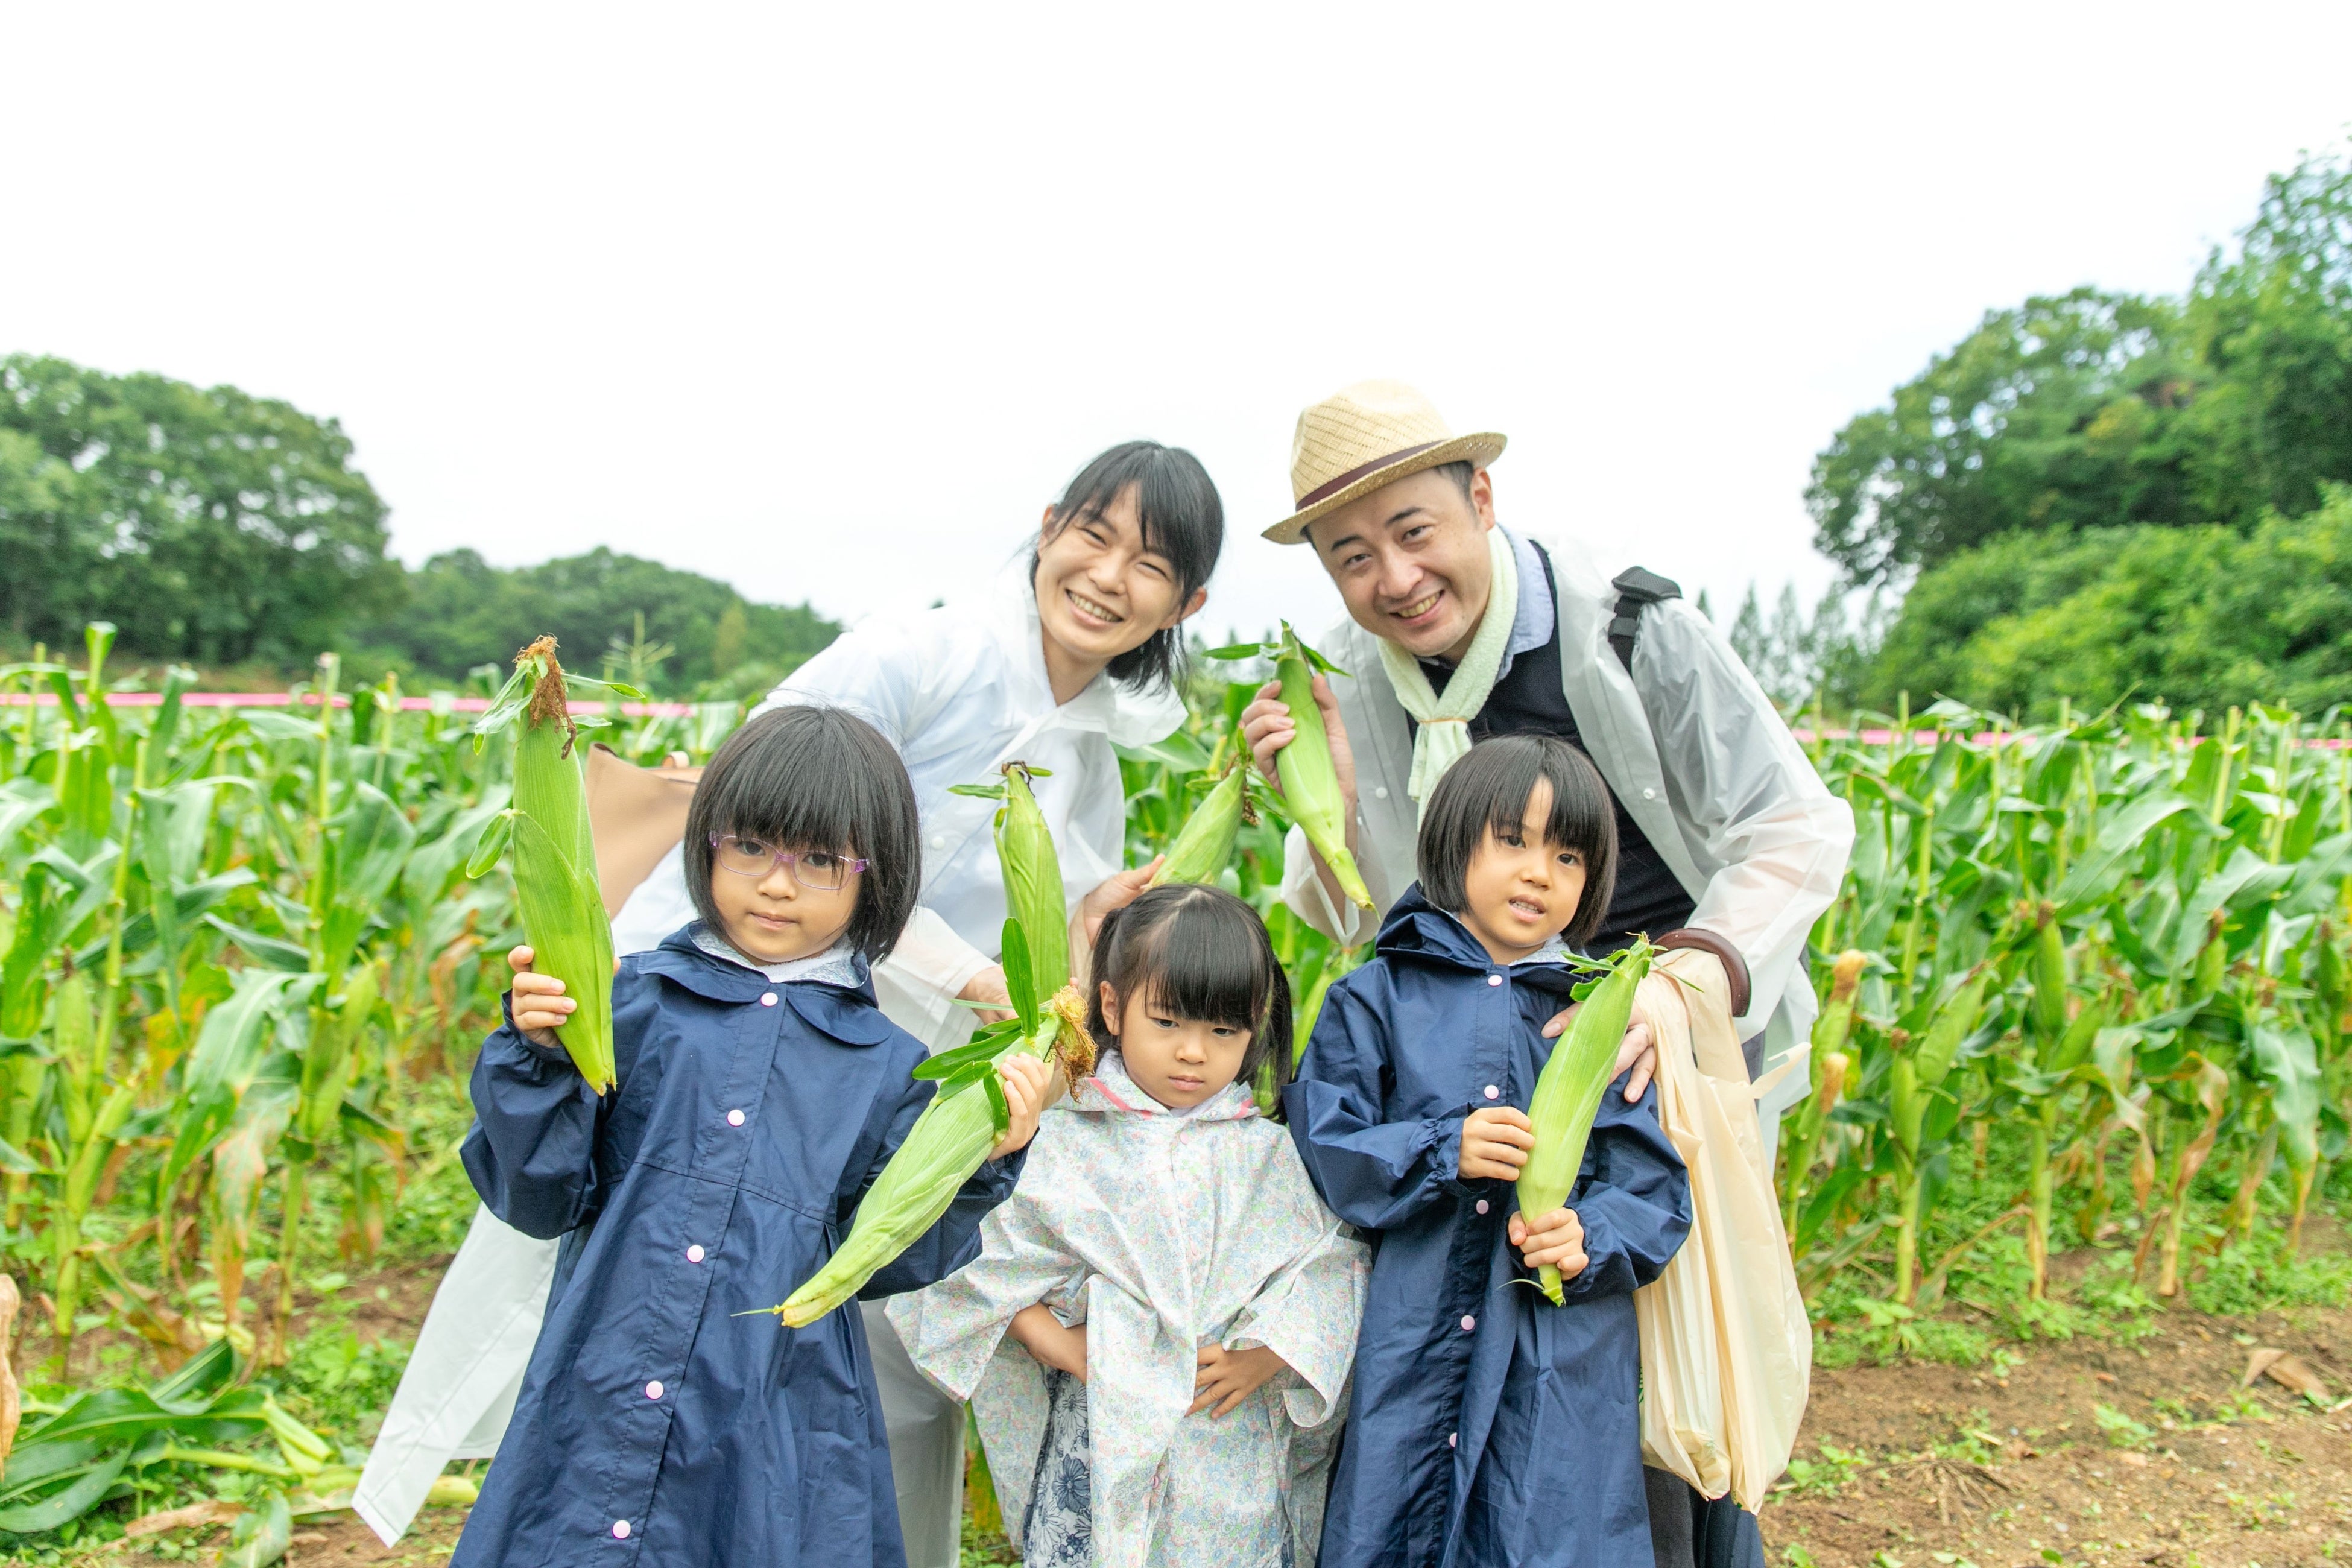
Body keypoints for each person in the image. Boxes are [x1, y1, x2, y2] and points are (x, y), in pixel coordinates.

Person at [358, 441, 1225, 1559]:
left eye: (1148, 564)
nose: (1109, 576)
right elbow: (771, 791)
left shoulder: (1094, 756)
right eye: (1094, 537)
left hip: (870, 1085)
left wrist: (1081, 926)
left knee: (848, 1373)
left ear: (1185, 602)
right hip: (718, 1007)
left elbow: (1037, 948)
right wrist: (968, 971)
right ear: (1050, 526)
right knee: (612, 1299)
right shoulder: (925, 650)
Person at [1244, 381, 1853, 1566]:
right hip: (1467, 1075)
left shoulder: (1625, 626)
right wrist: (1316, 807)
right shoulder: (1354, 684)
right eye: (1352, 557)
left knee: (1656, 1379)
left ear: (1481, 496)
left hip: (1661, 1046)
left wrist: (1683, 981)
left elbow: (1792, 824)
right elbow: (1375, 911)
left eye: (1415, 532)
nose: (1395, 580)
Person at [450, 706, 1056, 1567]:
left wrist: (979, 1159)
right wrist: (537, 1054)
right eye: (751, 847)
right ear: (706, 847)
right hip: (602, 1390)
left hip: (777, 1419)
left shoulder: (894, 1067)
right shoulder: (624, 1006)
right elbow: (542, 1197)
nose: (778, 885)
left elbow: (887, 1261)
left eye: (818, 861)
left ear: (872, 878)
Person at [1287, 735, 1692, 1568]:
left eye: (1569, 854)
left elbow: (1650, 1188)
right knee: (1394, 1523)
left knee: (1541, 1529)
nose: (1540, 871)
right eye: (1513, 840)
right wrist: (1443, 1148)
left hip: (1556, 1353)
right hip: (1410, 1330)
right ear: (1453, 840)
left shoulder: (1597, 1019)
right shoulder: (1378, 994)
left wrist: (1590, 1238)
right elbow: (1326, 1143)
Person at [889, 885, 1368, 1568]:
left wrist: (1269, 1355)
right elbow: (970, 1253)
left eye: (1223, 1031)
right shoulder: (1066, 1138)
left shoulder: (1268, 1154)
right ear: (1112, 1005)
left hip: (1224, 1443)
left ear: (1255, 1025)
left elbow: (1332, 1267)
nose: (1194, 1053)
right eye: (1169, 1022)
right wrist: (1055, 1342)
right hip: (1098, 1424)